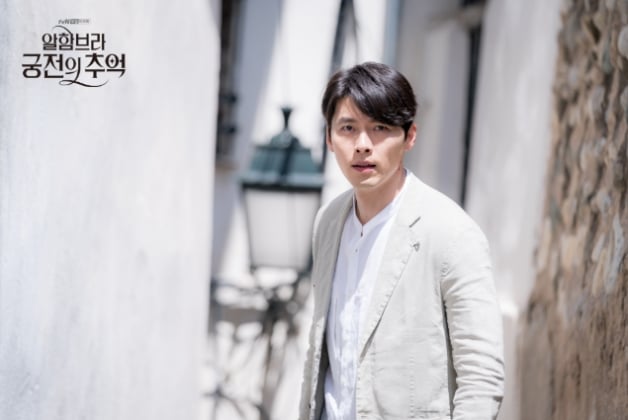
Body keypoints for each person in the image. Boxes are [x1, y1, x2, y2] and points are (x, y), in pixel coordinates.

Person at [298, 62, 504, 420]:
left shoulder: (451, 233)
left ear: (409, 136)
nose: (362, 145)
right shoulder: (328, 222)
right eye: (348, 128)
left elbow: (482, 376)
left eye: (380, 128)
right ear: (329, 138)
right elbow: (322, 354)